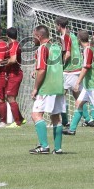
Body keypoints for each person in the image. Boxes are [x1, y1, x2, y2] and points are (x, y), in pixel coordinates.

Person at [30, 25, 65, 154]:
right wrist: (36, 71)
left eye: (34, 36)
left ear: (39, 36)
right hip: (58, 86)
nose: (33, 38)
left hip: (47, 87)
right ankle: (58, 148)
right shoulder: (56, 47)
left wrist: (35, 88)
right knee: (56, 117)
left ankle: (44, 146)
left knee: (36, 114)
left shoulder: (42, 48)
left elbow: (43, 70)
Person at [54, 17, 92, 127]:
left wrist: (59, 66)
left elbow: (68, 54)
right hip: (76, 69)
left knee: (60, 95)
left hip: (69, 70)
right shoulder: (73, 35)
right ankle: (88, 120)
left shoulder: (65, 36)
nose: (55, 27)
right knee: (78, 97)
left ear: (59, 26)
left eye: (56, 25)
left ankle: (63, 121)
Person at [4, 27, 25, 128]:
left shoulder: (13, 45)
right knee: (8, 97)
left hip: (14, 74)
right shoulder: (15, 44)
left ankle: (17, 122)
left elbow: (13, 59)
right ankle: (20, 118)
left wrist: (3, 64)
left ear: (7, 35)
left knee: (11, 97)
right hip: (13, 74)